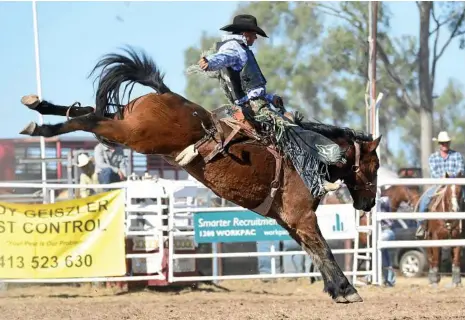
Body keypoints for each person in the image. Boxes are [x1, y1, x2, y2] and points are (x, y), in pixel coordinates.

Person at [197, 14, 344, 197]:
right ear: (245, 33)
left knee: (291, 126)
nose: (255, 38)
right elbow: (222, 58)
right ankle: (316, 180)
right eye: (253, 34)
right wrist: (209, 62)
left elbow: (247, 85)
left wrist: (270, 97)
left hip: (257, 103)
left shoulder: (240, 48)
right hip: (255, 108)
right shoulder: (234, 48)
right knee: (292, 133)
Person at [416, 131, 465, 238]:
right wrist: (444, 178)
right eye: (442, 143)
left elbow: (461, 170)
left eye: (446, 142)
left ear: (449, 143)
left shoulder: (457, 156)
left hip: (455, 185)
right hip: (439, 185)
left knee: (463, 198)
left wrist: (449, 177)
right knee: (424, 200)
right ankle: (421, 226)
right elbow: (434, 173)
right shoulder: (433, 157)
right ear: (439, 144)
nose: (444, 145)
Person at [378, 195, 396, 287]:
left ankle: (389, 279)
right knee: (384, 254)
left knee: (380, 248)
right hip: (382, 231)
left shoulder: (385, 199)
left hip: (387, 231)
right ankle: (388, 279)